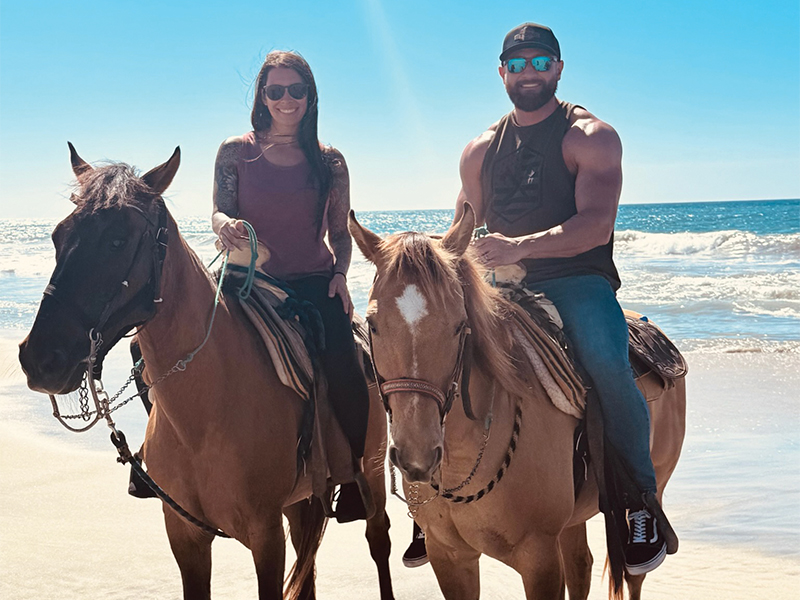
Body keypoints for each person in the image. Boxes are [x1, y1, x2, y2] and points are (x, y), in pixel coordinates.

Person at [403, 23, 669, 575]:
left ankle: (639, 504)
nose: (529, 73)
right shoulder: (479, 150)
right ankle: (426, 504)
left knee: (604, 360)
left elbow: (596, 225)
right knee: (423, 349)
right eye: (517, 64)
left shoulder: (590, 136)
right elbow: (461, 229)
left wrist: (517, 246)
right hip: (496, 282)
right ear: (502, 73)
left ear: (559, 69)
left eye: (540, 62)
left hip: (577, 279)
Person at [212, 50, 370, 522]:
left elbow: (341, 234)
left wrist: (341, 275)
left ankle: (355, 475)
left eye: (296, 90)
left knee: (345, 359)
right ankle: (155, 460)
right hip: (246, 280)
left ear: (310, 96)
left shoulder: (330, 162)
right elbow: (218, 209)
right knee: (158, 338)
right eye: (276, 90)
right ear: (262, 96)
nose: (286, 100)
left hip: (311, 281)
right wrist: (223, 225)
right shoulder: (234, 151)